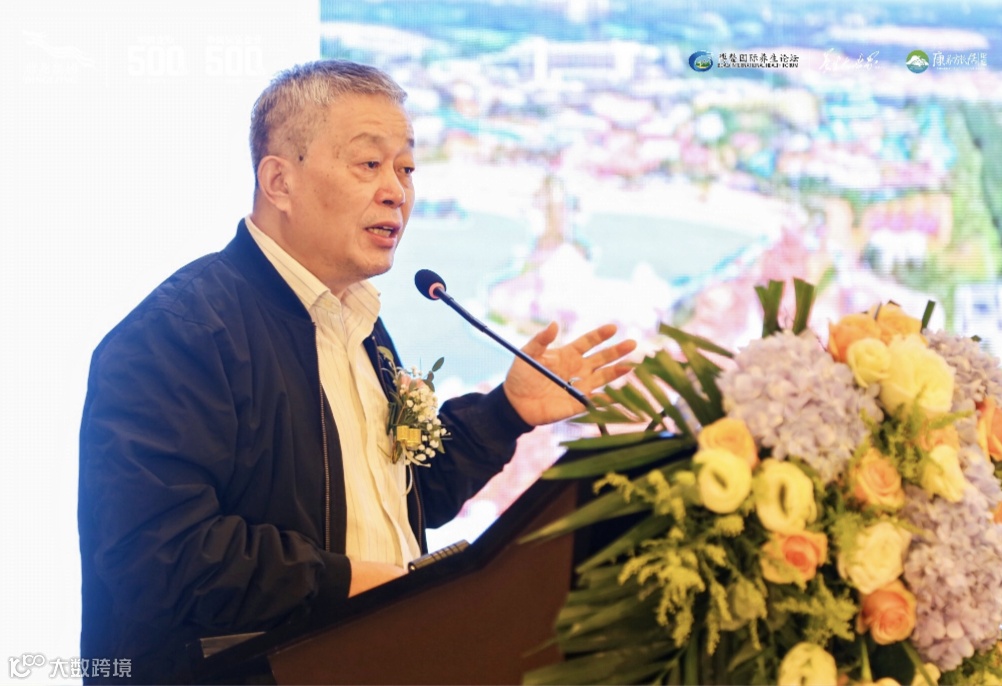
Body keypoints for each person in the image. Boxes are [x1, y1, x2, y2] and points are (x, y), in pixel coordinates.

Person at [78, 59, 635, 684]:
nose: (397, 191)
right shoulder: (178, 334)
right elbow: (157, 554)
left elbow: (401, 501)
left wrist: (508, 411)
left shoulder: (359, 326)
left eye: (406, 169)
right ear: (279, 181)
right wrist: (347, 584)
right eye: (369, 164)